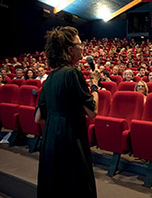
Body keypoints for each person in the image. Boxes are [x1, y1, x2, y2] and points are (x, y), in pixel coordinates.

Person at [34, 26, 98, 198]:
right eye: (79, 44)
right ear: (70, 50)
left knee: (55, 186)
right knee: (75, 186)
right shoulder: (72, 73)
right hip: (70, 138)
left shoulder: (49, 78)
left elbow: (38, 118)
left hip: (50, 139)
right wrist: (95, 85)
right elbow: (92, 111)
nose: (82, 47)